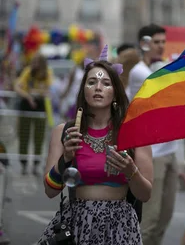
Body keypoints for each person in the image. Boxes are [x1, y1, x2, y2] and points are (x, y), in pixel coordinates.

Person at [38, 48, 152, 244]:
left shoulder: (132, 133)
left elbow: (145, 194)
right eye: (92, 82)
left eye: (106, 83)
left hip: (119, 227)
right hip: (77, 225)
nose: (98, 87)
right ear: (84, 90)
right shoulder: (64, 132)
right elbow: (50, 191)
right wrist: (65, 159)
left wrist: (130, 171)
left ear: (116, 93)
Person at [128, 24, 177, 245]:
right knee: (150, 219)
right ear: (144, 44)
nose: (160, 46)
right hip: (152, 154)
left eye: (162, 42)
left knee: (165, 218)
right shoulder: (139, 71)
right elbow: (165, 86)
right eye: (155, 42)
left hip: (170, 151)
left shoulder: (158, 66)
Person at [14, 53, 53, 175]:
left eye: (37, 62)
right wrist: (29, 97)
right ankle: (24, 164)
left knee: (39, 138)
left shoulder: (47, 73)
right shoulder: (27, 72)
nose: (34, 65)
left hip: (40, 109)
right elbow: (18, 87)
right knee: (24, 136)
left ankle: (36, 164)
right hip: (26, 106)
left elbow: (48, 90)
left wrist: (33, 92)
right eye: (33, 62)